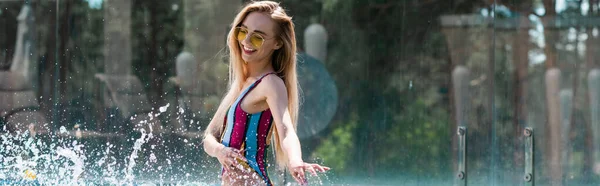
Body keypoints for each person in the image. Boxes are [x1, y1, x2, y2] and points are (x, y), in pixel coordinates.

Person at [202, 1, 330, 185]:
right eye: (243, 31)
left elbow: (286, 130)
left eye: (257, 37)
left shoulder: (271, 83)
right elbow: (209, 137)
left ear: (277, 43)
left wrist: (295, 161)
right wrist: (220, 151)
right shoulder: (242, 84)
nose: (246, 41)